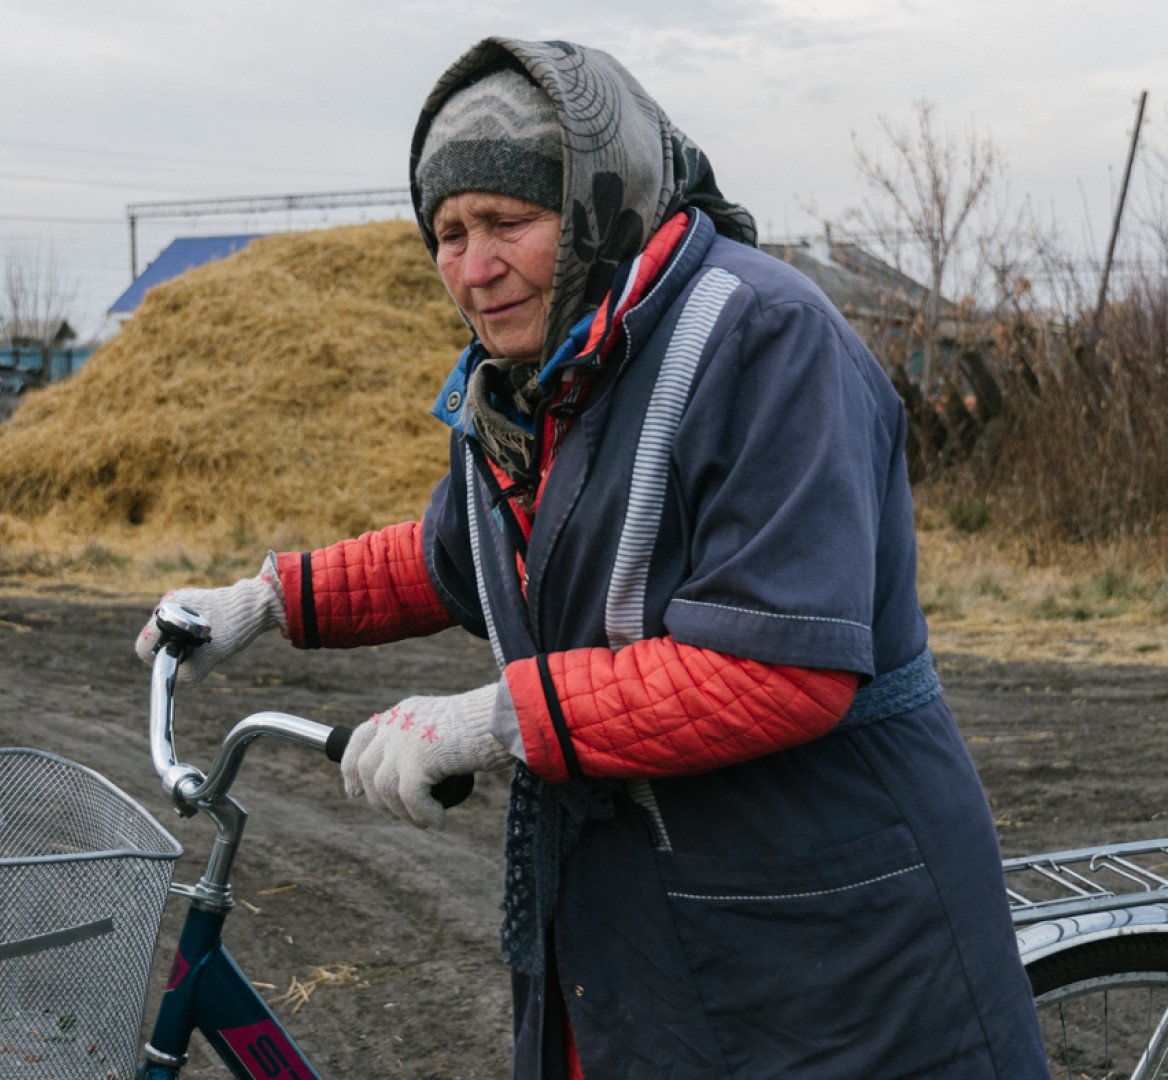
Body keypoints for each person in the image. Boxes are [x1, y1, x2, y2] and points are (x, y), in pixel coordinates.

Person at [135, 37, 1046, 1080]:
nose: (474, 270)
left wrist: (493, 719)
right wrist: (269, 599)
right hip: (638, 910)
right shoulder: (536, 381)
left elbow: (782, 668)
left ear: (601, 204)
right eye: (448, 233)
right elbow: (458, 554)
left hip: (818, 925)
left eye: (509, 223)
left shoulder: (766, 339)